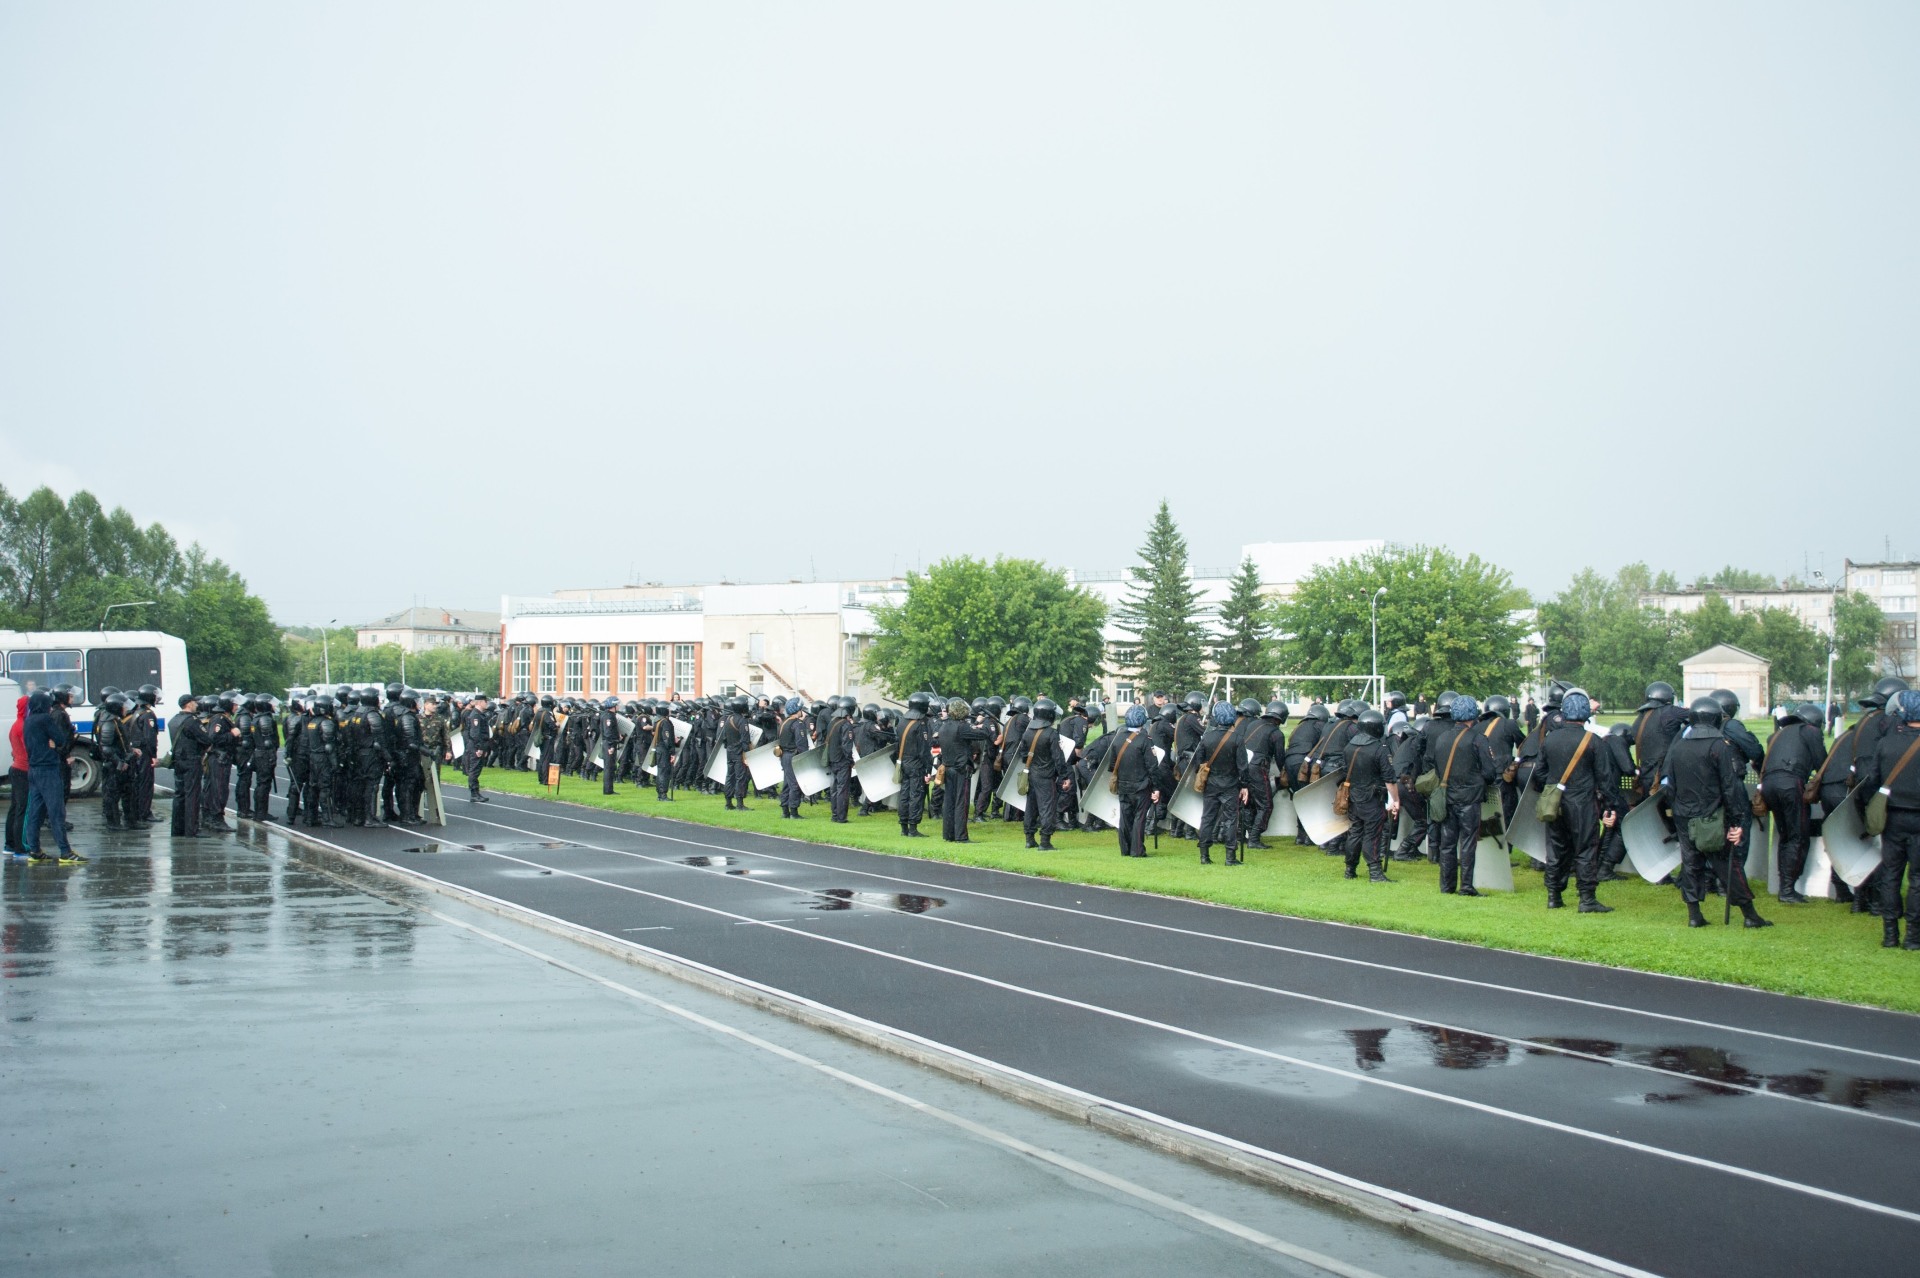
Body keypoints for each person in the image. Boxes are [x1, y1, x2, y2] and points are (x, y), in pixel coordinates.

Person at [1663, 697, 1770, 930]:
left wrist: (1677, 810)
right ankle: (1749, 914)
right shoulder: (1719, 746)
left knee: (1690, 864)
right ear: (1715, 718)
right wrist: (1736, 821)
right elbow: (1729, 786)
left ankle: (1694, 915)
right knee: (1727, 864)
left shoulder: (1679, 745)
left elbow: (1670, 785)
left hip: (1684, 814)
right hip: (1713, 814)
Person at [1530, 690, 1617, 913]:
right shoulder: (1593, 741)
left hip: (1555, 802)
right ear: (1585, 713)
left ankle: (1554, 895)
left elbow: (1539, 774)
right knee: (1585, 848)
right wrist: (1610, 806)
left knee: (1555, 848)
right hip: (1583, 802)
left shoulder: (1550, 740)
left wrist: (1553, 788)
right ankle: (1587, 898)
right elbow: (1605, 778)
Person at [1854, 689, 1920, 949]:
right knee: (1917, 880)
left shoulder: (1886, 743)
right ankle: (1913, 937)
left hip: (1892, 818)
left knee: (1891, 875)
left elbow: (1872, 782)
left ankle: (1890, 935)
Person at [1431, 695, 1501, 896]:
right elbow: (1489, 772)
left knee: (1447, 843)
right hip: (1470, 797)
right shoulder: (1478, 739)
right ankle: (1466, 886)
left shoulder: (1442, 738)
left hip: (1448, 795)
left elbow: (1438, 768)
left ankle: (1447, 885)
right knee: (1468, 842)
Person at [1760, 703, 1826, 903]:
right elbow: (1822, 763)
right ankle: (1787, 889)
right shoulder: (1811, 731)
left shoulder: (1777, 735)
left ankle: (1784, 885)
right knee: (1798, 836)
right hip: (1791, 784)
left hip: (1769, 785)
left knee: (1786, 835)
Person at [20, 690, 84, 864]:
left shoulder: (29, 720)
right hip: (48, 769)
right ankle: (65, 852)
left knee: (35, 812)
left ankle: (34, 850)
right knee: (56, 812)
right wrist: (54, 742)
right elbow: (60, 739)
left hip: (33, 769)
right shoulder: (45, 719)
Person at [1192, 700, 1252, 865]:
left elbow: (1198, 762)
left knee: (1207, 818)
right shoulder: (1237, 739)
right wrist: (1244, 785)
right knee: (1231, 819)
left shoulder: (1207, 737)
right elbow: (1243, 767)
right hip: (1230, 785)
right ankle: (1230, 857)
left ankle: (1204, 855)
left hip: (1211, 784)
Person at [1106, 705, 1170, 857]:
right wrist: (1156, 788)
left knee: (1125, 818)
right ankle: (1137, 850)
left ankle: (1125, 849)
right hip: (1141, 785)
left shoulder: (1118, 738)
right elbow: (1152, 767)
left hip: (1123, 785)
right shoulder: (1145, 740)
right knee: (1139, 818)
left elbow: (1112, 765)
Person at [1343, 708, 1399, 882]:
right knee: (1372, 834)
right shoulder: (1379, 749)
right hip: (1372, 798)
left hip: (1354, 796)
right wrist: (1396, 800)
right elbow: (1389, 779)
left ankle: (1350, 869)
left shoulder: (1349, 747)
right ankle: (1375, 872)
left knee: (1355, 832)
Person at [933, 697, 995, 842]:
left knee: (949, 802)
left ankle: (949, 834)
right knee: (962, 802)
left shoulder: (944, 727)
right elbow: (984, 734)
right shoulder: (962, 727)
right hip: (961, 769)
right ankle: (961, 836)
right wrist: (984, 722)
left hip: (948, 767)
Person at [1019, 698, 1068, 850]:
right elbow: (1058, 758)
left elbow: (1023, 755)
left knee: (1031, 807)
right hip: (1046, 776)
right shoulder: (1051, 733)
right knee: (1047, 808)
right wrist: (1064, 776)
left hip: (1031, 774)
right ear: (1049, 715)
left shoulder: (1027, 733)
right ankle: (1045, 842)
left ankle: (1029, 839)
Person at [168, 694, 217, 837]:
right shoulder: (192, 721)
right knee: (192, 795)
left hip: (178, 760)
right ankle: (192, 829)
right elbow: (206, 739)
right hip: (191, 760)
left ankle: (177, 829)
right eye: (194, 702)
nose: (196, 705)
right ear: (189, 704)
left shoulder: (174, 719)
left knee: (179, 795)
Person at [892, 693, 935, 836]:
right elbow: (924, 749)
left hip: (903, 762)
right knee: (916, 795)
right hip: (916, 765)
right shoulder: (921, 723)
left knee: (904, 795)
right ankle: (913, 828)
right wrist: (928, 768)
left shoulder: (902, 721)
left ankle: (904, 827)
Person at [95, 691, 136, 830]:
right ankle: (113, 823)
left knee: (126, 792)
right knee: (112, 794)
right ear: (116, 707)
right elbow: (106, 747)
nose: (125, 709)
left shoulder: (114, 720)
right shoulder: (109, 722)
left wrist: (130, 751)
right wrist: (119, 762)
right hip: (114, 765)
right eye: (123, 706)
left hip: (120, 762)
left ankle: (129, 821)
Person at [5, 689, 28, 855]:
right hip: (23, 770)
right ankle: (20, 847)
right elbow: (29, 749)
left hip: (16, 768)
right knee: (22, 809)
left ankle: (10, 844)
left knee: (15, 808)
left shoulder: (16, 724)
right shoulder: (23, 726)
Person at [459, 694, 492, 803]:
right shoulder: (476, 715)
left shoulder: (479, 714)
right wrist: (479, 748)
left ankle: (476, 792)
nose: (486, 704)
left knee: (477, 770)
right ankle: (474, 793)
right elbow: (475, 733)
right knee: (474, 770)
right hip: (475, 746)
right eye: (485, 701)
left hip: (479, 745)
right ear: (480, 702)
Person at [648, 703, 678, 802]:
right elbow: (667, 739)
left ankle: (660, 794)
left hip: (660, 749)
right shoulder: (665, 722)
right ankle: (663, 794)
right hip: (664, 750)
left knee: (661, 772)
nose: (670, 711)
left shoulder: (658, 720)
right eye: (668, 709)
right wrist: (672, 753)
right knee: (664, 772)